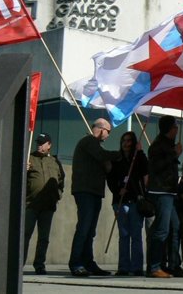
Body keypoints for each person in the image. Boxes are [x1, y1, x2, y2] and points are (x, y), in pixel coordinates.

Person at [68, 118, 121, 277]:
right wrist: (122, 154)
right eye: (108, 131)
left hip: (94, 191)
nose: (108, 135)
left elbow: (103, 161)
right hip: (85, 191)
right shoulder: (89, 141)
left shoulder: (94, 145)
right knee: (84, 228)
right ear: (100, 129)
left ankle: (88, 262)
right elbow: (102, 155)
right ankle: (76, 262)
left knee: (90, 230)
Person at [106, 131, 148, 276]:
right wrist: (118, 190)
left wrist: (140, 151)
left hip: (135, 201)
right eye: (124, 140)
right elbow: (110, 178)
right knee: (124, 235)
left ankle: (136, 267)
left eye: (129, 140)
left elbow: (146, 170)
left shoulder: (138, 158)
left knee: (136, 235)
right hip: (120, 201)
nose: (125, 143)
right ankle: (123, 267)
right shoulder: (117, 159)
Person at [146, 115, 183, 278]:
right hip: (161, 192)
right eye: (175, 126)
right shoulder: (158, 145)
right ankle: (154, 267)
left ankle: (173, 264)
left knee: (175, 227)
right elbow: (156, 167)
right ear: (170, 128)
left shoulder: (168, 144)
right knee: (161, 230)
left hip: (169, 192)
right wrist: (174, 154)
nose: (177, 129)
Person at [24, 133, 65, 275]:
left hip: (48, 206)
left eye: (42, 143)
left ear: (49, 145)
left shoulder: (54, 161)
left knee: (43, 238)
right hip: (31, 204)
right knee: (25, 234)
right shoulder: (28, 159)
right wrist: (24, 169)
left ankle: (39, 264)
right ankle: (19, 263)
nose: (39, 145)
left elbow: (61, 181)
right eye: (38, 143)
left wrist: (57, 195)